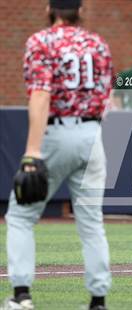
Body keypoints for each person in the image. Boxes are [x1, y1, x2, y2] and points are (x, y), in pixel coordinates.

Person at [4, 1, 112, 309]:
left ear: (48, 8)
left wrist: (32, 151)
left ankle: (22, 295)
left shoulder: (41, 41)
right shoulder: (98, 44)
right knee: (91, 222)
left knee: (21, 215)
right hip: (92, 134)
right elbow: (105, 94)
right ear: (82, 9)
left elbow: (40, 93)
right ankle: (98, 300)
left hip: (57, 132)